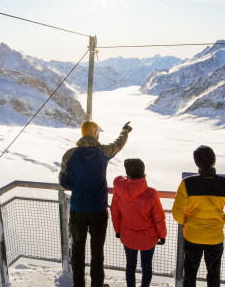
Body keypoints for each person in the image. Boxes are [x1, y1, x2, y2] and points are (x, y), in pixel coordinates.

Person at [59, 120, 132, 287]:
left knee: (77, 250)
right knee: (97, 251)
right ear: (94, 133)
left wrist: (79, 187)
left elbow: (63, 181)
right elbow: (118, 144)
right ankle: (97, 284)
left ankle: (78, 284)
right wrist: (125, 131)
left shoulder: (69, 154)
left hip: (78, 210)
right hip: (98, 210)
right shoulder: (103, 152)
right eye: (97, 132)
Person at [172, 146, 225, 287]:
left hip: (192, 236)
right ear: (214, 161)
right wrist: (222, 220)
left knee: (190, 272)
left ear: (196, 162)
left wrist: (187, 222)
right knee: (214, 274)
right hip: (215, 236)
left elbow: (177, 212)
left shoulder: (187, 183)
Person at [111, 158, 167, 287]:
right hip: (148, 238)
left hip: (128, 236)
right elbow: (158, 218)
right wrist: (162, 235)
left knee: (130, 266)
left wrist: (118, 231)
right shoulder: (151, 193)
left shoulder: (119, 192)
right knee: (146, 266)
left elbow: (115, 214)